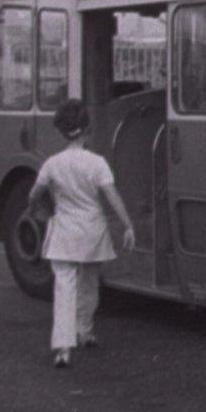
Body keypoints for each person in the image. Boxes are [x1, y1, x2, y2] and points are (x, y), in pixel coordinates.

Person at [27, 99, 136, 368]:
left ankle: (63, 348)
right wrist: (128, 224)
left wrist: (37, 211)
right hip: (92, 232)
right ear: (87, 129)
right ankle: (85, 330)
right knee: (89, 284)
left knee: (65, 287)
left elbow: (33, 195)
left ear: (62, 132)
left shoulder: (53, 164)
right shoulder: (97, 163)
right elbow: (112, 196)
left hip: (64, 232)